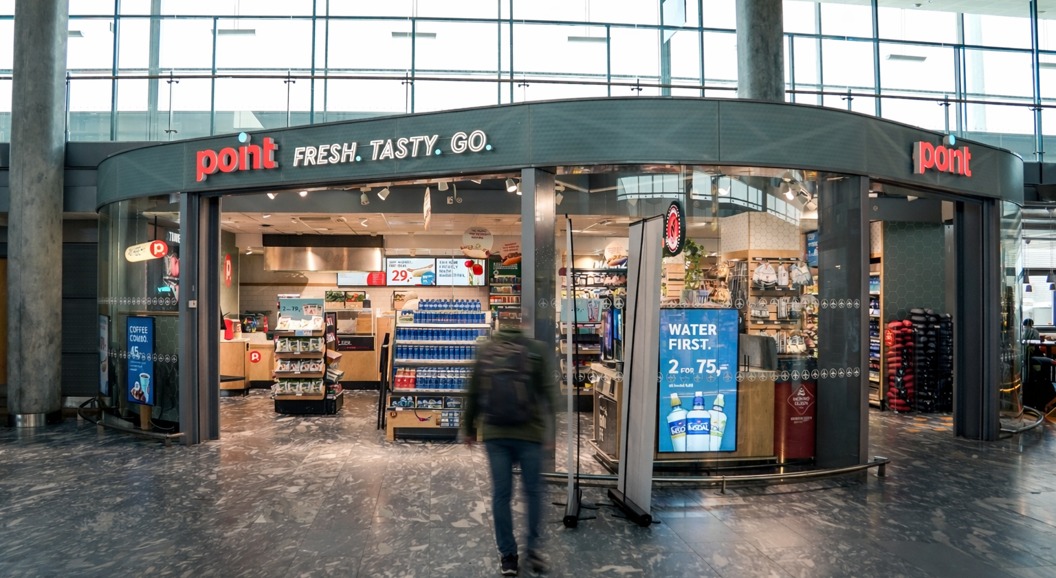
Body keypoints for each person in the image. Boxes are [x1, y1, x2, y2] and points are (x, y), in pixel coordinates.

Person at [463, 324, 560, 576]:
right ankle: (534, 549)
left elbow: (472, 392)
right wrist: (552, 431)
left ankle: (508, 556)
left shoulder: (485, 349)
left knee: (501, 495)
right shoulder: (536, 348)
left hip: (495, 433)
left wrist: (469, 427)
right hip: (530, 432)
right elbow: (550, 393)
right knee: (534, 493)